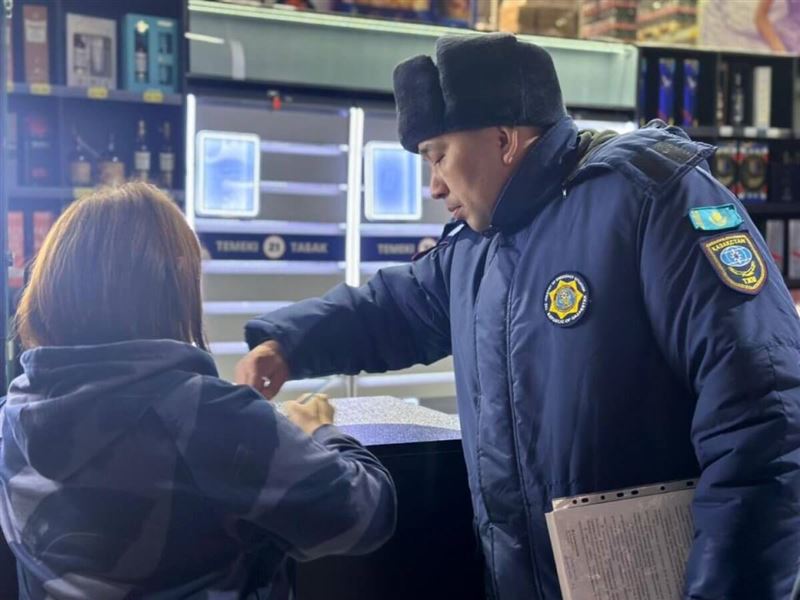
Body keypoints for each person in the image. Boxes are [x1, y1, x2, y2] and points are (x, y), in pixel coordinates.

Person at [235, 33, 800, 599]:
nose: (433, 186)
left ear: (504, 140)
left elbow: (764, 419)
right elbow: (395, 307)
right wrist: (288, 343)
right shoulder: (480, 246)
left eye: (439, 157)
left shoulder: (652, 200)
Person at [0, 183, 396, 599]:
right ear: (170, 285)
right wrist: (320, 431)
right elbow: (366, 516)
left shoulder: (13, 418)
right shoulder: (205, 416)